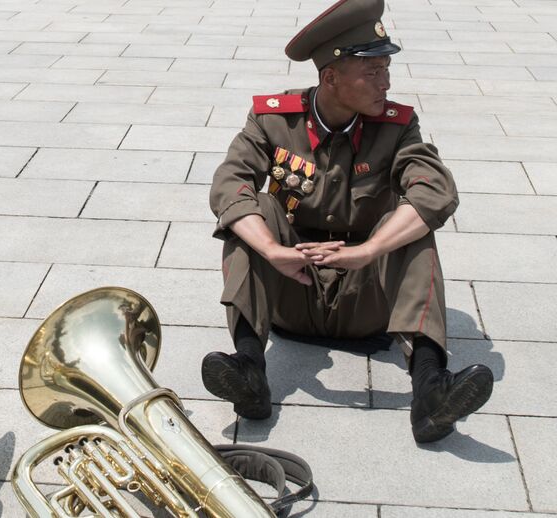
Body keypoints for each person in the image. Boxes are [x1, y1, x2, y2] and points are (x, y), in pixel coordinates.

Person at [200, 0, 494, 443]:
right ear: (331, 76)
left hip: (366, 299)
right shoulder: (273, 121)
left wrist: (369, 251)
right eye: (372, 72)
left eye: (386, 70)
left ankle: (431, 392)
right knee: (253, 209)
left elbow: (436, 190)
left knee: (412, 225)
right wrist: (273, 250)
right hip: (292, 287)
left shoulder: (397, 126)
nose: (385, 83)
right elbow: (229, 183)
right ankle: (249, 373)